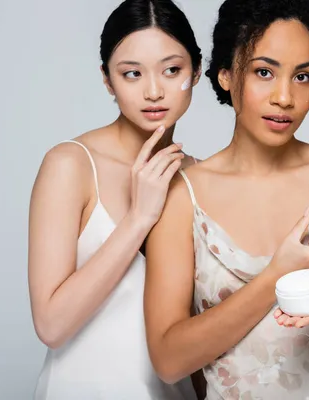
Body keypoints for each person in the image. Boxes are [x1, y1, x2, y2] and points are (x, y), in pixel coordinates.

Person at [143, 1, 309, 399]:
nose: (285, 97)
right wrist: (275, 277)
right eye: (264, 72)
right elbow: (168, 360)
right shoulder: (182, 196)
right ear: (227, 76)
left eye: (302, 76)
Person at [28, 0, 202, 398]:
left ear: (196, 70)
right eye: (131, 74)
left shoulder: (202, 177)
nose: (154, 90)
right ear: (107, 80)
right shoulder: (70, 165)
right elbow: (51, 326)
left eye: (172, 70)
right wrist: (140, 218)